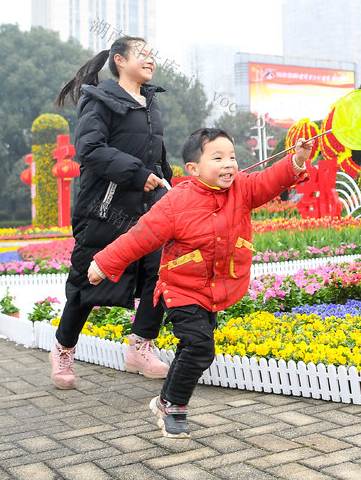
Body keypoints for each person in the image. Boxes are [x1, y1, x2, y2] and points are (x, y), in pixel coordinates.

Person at [87, 128, 312, 438]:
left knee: (193, 347)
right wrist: (103, 263)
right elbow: (140, 237)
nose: (229, 164)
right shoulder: (175, 202)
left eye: (232, 157)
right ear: (193, 169)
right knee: (201, 347)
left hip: (215, 288)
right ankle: (175, 407)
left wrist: (296, 160)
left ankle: (166, 399)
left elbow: (269, 181)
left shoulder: (243, 189)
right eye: (217, 157)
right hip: (180, 288)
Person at [51, 36, 172, 389]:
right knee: (89, 277)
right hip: (104, 208)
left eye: (153, 54)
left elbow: (156, 156)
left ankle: (141, 346)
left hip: (145, 207)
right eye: (143, 54)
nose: (150, 60)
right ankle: (63, 349)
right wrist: (137, 174)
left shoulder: (151, 103)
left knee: (159, 269)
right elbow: (88, 150)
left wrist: (171, 185)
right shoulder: (100, 100)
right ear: (119, 60)